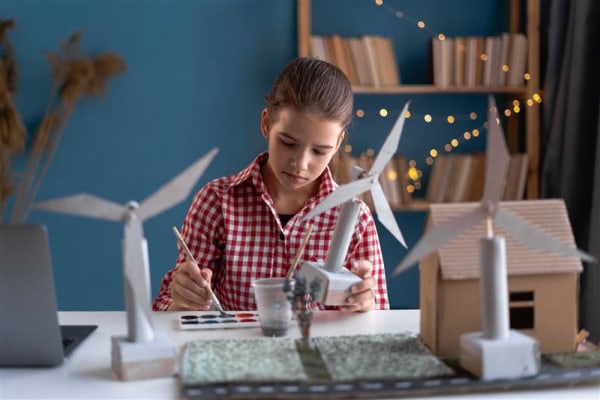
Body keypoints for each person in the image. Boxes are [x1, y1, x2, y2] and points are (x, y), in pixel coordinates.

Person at [152, 57, 389, 312]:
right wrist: (182, 299)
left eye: (320, 151)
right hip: (237, 350)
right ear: (266, 123)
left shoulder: (355, 218)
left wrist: (366, 307)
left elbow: (380, 322)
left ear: (338, 143)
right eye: (288, 143)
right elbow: (165, 304)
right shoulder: (217, 201)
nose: (300, 163)